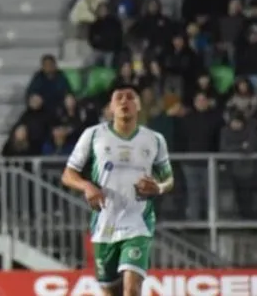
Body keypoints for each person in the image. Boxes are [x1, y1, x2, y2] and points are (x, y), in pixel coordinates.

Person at [61, 84, 174, 296]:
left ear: (139, 105)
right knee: (111, 291)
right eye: (118, 98)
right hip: (104, 224)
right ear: (111, 107)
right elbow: (68, 174)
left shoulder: (155, 139)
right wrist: (87, 186)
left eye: (130, 97)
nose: (124, 101)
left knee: (131, 289)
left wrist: (158, 188)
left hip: (138, 222)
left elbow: (169, 179)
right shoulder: (93, 135)